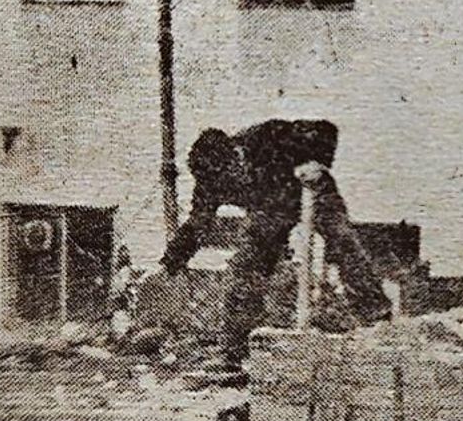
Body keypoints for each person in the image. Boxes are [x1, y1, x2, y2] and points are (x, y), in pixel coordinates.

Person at [160, 119, 392, 364]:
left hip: (311, 189)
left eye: (232, 175)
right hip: (270, 210)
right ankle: (234, 352)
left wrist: (317, 162)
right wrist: (172, 261)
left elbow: (327, 129)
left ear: (236, 156)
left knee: (343, 241)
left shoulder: (268, 136)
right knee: (245, 268)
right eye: (223, 184)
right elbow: (198, 223)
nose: (230, 185)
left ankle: (376, 316)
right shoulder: (209, 180)